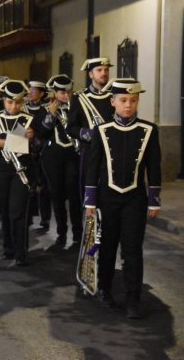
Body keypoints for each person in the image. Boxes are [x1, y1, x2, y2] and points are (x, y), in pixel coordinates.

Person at [84, 78, 161, 319]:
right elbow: (92, 167)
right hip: (107, 198)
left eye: (133, 100)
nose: (128, 105)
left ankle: (133, 298)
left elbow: (154, 167)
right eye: (123, 100)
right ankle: (105, 289)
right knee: (107, 247)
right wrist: (90, 201)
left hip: (135, 199)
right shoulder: (102, 131)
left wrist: (154, 199)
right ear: (113, 102)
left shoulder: (148, 130)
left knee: (132, 249)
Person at [0, 79, 35, 266]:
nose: (13, 106)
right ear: (3, 101)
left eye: (17, 102)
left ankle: (21, 252)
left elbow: (38, 147)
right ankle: (8, 249)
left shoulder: (28, 120)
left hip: (20, 171)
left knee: (18, 212)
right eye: (9, 102)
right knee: (5, 211)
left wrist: (32, 138)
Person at [40, 75, 82, 246]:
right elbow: (42, 132)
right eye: (62, 92)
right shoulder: (46, 108)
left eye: (69, 92)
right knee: (56, 196)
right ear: (55, 93)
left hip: (73, 156)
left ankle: (78, 233)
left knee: (74, 197)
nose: (66, 95)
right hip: (53, 158)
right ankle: (61, 233)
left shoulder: (77, 107)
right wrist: (51, 115)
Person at [66, 57, 114, 199]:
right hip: (90, 151)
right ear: (91, 74)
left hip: (112, 151)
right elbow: (71, 128)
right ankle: (90, 221)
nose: (104, 73)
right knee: (89, 193)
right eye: (99, 70)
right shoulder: (79, 98)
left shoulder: (115, 96)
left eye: (106, 70)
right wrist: (89, 134)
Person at [24, 80, 52, 231]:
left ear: (41, 94)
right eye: (29, 89)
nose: (30, 92)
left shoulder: (45, 110)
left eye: (34, 90)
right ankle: (28, 216)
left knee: (44, 186)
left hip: (42, 152)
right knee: (28, 186)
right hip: (26, 152)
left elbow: (46, 131)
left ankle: (45, 217)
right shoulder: (22, 109)